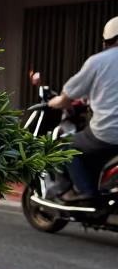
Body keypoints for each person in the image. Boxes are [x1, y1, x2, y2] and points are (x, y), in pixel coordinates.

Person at [47, 15, 118, 202]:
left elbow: (68, 94)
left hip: (108, 134)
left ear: (110, 39)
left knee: (64, 146)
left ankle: (86, 192)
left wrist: (56, 102)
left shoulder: (98, 61)